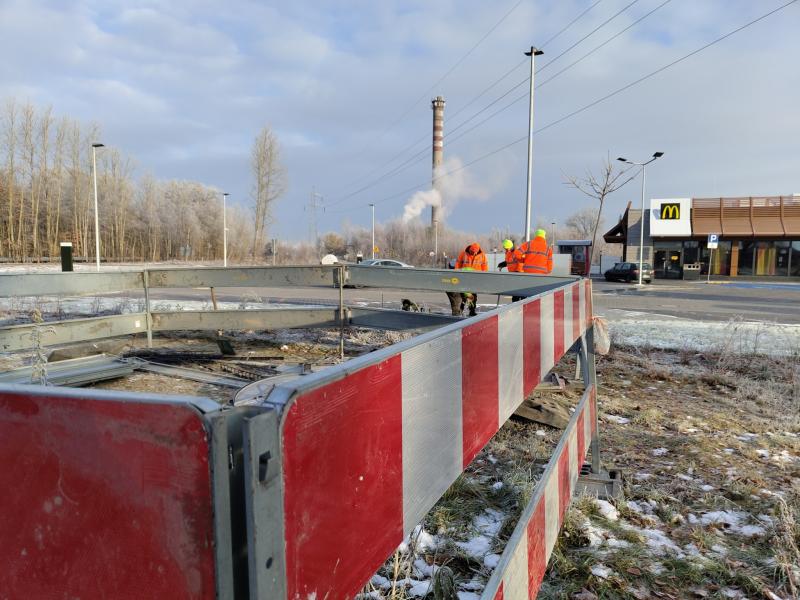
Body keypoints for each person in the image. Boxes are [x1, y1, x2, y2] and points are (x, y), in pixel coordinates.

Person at [454, 242, 487, 316]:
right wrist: (457, 273)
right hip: (464, 277)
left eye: (475, 252)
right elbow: (458, 264)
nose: (473, 254)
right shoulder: (463, 254)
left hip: (475, 278)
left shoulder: (482, 255)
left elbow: (484, 266)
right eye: (472, 252)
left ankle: (472, 311)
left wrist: (484, 276)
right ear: (470, 249)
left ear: (477, 251)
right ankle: (460, 310)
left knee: (473, 296)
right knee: (463, 295)